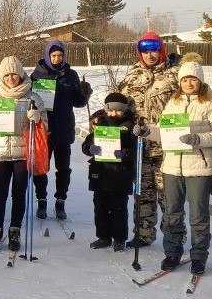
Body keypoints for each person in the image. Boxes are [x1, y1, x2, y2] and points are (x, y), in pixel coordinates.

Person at [134, 55, 211, 274]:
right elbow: (163, 132)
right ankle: (172, 253)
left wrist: (198, 139)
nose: (189, 83)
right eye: (185, 79)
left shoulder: (208, 103)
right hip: (172, 167)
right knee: (172, 213)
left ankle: (199, 256)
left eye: (193, 79)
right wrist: (147, 131)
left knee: (198, 214)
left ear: (200, 80)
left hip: (199, 167)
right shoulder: (173, 103)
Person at [117, 32, 179, 248]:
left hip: (167, 147)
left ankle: (173, 237)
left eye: (154, 50)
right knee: (143, 194)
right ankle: (143, 234)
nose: (149, 55)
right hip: (140, 147)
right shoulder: (132, 76)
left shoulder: (175, 75)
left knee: (168, 196)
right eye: (145, 51)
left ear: (161, 49)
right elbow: (120, 107)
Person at [0, 56, 48, 251]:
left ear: (20, 74)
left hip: (23, 153)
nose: (11, 78)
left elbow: (45, 128)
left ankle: (15, 230)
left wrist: (38, 119)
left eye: (14, 74)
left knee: (19, 193)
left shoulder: (33, 97)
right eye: (7, 75)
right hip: (0, 152)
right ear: (1, 77)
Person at [30, 40, 91, 221]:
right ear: (48, 56)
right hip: (44, 130)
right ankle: (41, 200)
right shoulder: (36, 75)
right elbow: (29, 100)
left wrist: (85, 93)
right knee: (41, 168)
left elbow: (78, 102)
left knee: (63, 168)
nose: (57, 59)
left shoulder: (71, 75)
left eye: (60, 56)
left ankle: (60, 200)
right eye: (54, 55)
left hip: (64, 128)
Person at [81, 92, 137, 252]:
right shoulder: (100, 124)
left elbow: (137, 149)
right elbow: (86, 145)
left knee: (119, 208)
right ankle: (103, 236)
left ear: (124, 110)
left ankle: (119, 238)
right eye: (111, 110)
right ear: (106, 110)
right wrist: (90, 148)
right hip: (100, 172)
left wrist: (126, 153)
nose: (114, 113)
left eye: (118, 110)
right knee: (100, 207)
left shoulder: (131, 126)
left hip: (121, 174)